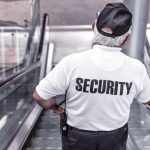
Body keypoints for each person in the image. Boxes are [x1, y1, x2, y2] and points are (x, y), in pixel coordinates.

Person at [33, 2, 150, 150]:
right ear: (127, 38)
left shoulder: (71, 63)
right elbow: (148, 100)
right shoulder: (136, 69)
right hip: (114, 138)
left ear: (93, 27)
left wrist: (57, 108)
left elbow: (39, 96)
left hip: (76, 138)